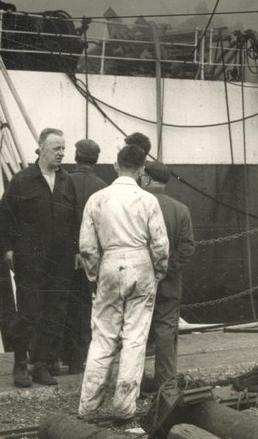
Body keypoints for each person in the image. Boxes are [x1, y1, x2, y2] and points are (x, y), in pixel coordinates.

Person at [77, 142, 169, 421]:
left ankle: (88, 406)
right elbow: (161, 246)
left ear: (116, 165)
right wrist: (158, 271)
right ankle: (124, 407)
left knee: (102, 338)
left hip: (109, 265)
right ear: (142, 170)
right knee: (135, 339)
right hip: (141, 265)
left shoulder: (97, 199)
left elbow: (87, 247)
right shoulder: (148, 200)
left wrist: (94, 276)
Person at [0, 128, 78, 387]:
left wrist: (77, 250)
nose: (61, 154)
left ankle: (41, 364)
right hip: (30, 262)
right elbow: (4, 218)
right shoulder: (22, 180)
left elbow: (75, 219)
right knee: (29, 314)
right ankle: (20, 365)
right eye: (56, 149)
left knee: (54, 314)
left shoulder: (66, 181)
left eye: (64, 149)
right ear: (40, 148)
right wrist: (7, 249)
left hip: (60, 262)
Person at [142, 158, 195, 404]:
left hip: (141, 280)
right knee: (165, 330)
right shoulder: (180, 209)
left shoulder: (138, 205)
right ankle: (165, 383)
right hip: (170, 281)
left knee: (136, 330)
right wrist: (168, 270)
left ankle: (137, 381)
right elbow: (186, 247)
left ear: (147, 178)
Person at [61, 139, 107, 373]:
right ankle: (78, 359)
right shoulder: (102, 186)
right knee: (84, 307)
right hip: (91, 258)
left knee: (61, 304)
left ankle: (58, 356)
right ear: (96, 159)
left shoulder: (64, 180)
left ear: (75, 156)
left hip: (63, 255)